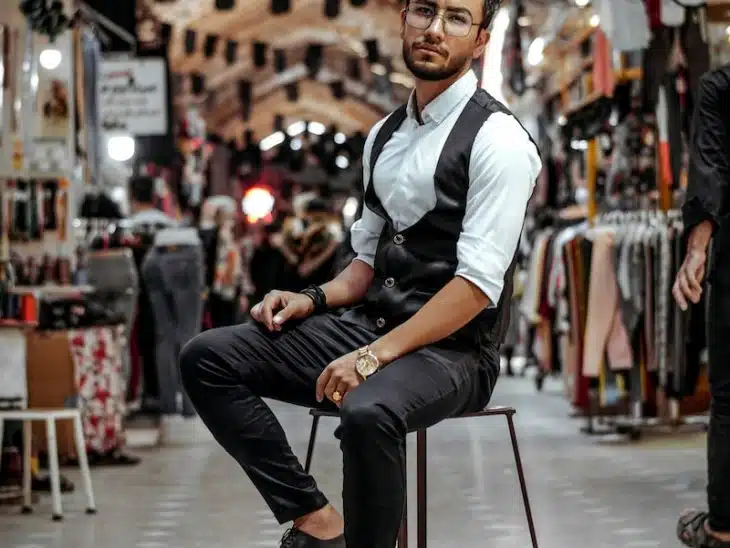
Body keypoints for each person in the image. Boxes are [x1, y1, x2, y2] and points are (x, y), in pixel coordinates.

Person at [179, 0, 541, 546]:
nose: (435, 30)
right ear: (403, 19)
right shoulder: (383, 137)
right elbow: (365, 265)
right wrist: (311, 298)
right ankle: (318, 521)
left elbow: (474, 290)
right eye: (425, 11)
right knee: (207, 357)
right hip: (369, 326)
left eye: (457, 18)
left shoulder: (500, 140)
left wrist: (372, 357)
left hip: (457, 352)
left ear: (481, 40)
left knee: (368, 411)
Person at [674, 65, 730, 548]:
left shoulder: (720, 86)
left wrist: (696, 248)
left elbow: (710, 166)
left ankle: (722, 529)